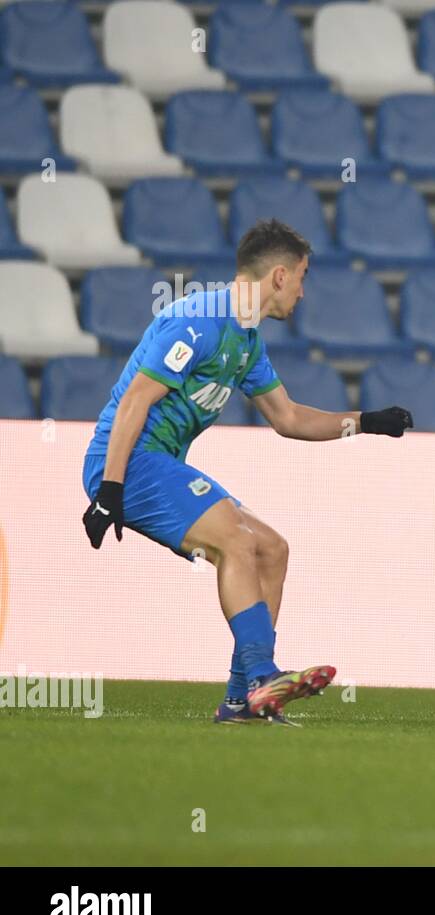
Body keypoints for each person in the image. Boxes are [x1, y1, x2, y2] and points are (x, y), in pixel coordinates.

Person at [80, 220, 414, 724]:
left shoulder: (247, 341)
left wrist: (365, 422)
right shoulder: (199, 320)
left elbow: (289, 418)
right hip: (130, 461)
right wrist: (110, 487)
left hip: (161, 463)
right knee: (237, 542)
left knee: (273, 549)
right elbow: (134, 402)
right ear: (279, 275)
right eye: (302, 277)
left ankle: (241, 701)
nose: (303, 292)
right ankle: (263, 676)